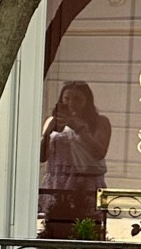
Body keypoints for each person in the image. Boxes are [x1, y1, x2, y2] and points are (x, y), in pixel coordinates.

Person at [39, 81, 112, 235]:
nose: (71, 103)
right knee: (56, 229)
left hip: (85, 182)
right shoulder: (51, 121)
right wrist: (48, 133)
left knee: (88, 228)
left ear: (87, 101)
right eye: (67, 99)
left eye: (78, 99)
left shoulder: (100, 122)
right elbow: (42, 157)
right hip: (58, 183)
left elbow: (99, 152)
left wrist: (79, 128)